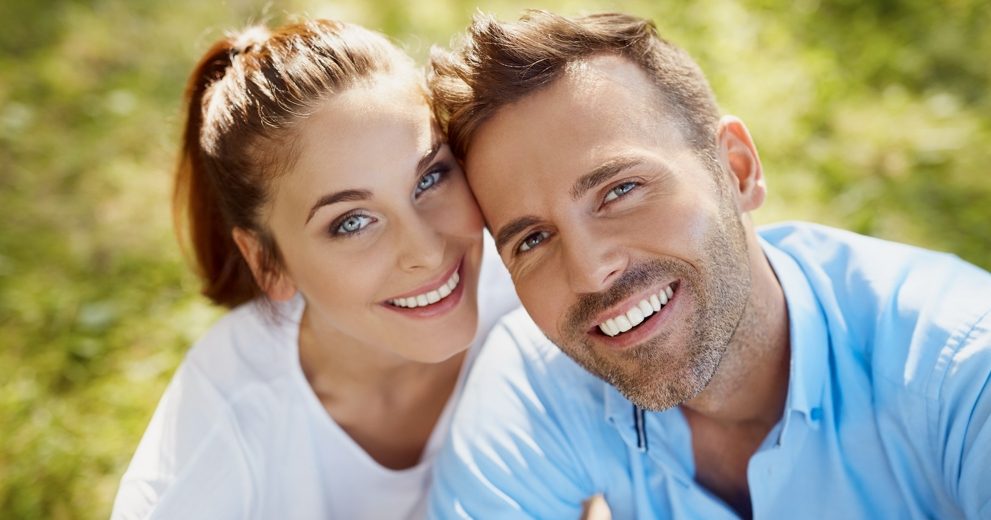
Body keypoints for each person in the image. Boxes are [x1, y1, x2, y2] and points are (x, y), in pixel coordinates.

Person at [426, 10, 991, 519]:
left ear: (737, 170)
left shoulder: (961, 364)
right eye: (532, 240)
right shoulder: (538, 390)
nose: (590, 271)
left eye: (620, 190)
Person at [111, 18, 518, 519]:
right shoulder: (227, 424)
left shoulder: (530, 295)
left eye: (430, 177)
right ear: (268, 262)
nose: (427, 252)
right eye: (352, 222)